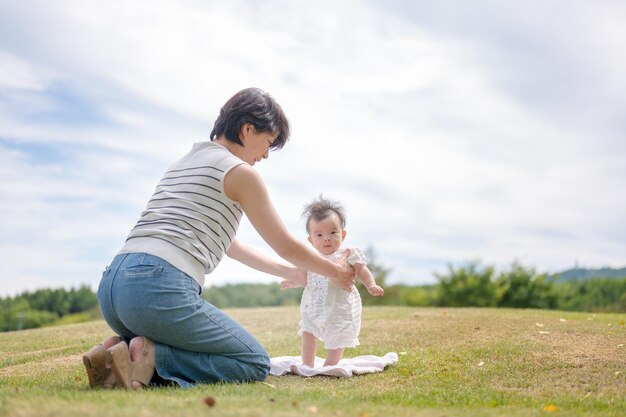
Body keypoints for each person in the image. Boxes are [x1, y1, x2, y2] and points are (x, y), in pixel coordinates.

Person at [82, 87, 357, 389]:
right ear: (247, 129)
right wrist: (336, 272)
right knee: (252, 361)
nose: (265, 155)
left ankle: (119, 353)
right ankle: (149, 357)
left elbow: (232, 247)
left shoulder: (183, 163)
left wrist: (292, 273)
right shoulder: (239, 172)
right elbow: (286, 245)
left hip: (112, 288)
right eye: (267, 143)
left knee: (197, 345)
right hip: (155, 288)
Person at [281, 196, 384, 368]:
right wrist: (292, 282)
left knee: (338, 336)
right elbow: (305, 277)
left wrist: (370, 284)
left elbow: (362, 270)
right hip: (314, 306)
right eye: (319, 235)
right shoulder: (311, 258)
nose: (326, 238)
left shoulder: (348, 254)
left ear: (342, 234)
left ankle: (330, 365)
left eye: (332, 233)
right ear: (311, 240)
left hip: (339, 307)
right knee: (308, 333)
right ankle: (307, 364)